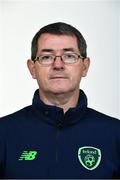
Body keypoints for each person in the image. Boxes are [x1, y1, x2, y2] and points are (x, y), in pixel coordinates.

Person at [0, 22, 120, 179]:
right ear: (32, 68)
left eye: (69, 56)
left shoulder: (115, 134)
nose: (58, 65)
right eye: (47, 57)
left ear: (85, 66)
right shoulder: (3, 133)